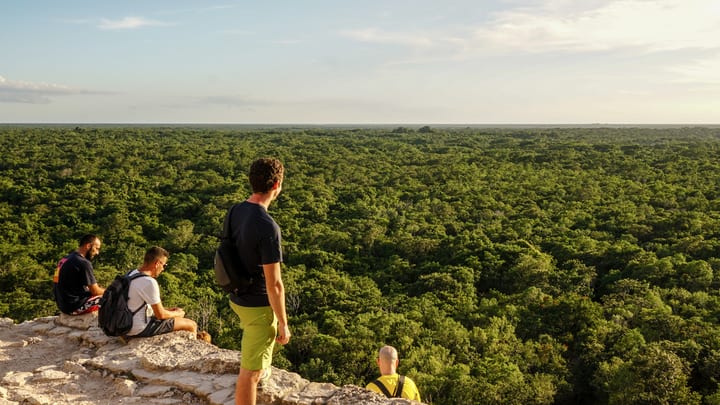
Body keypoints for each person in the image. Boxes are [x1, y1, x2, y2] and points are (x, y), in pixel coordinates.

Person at [227, 158, 291, 405]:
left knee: (256, 363)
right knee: (250, 374)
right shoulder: (268, 227)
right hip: (258, 307)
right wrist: (283, 323)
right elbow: (274, 284)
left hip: (237, 297)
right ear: (276, 184)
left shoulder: (236, 210)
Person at [124, 246, 204, 340]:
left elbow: (136, 304)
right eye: (164, 265)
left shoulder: (131, 274)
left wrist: (168, 311)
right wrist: (178, 313)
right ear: (157, 263)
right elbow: (160, 315)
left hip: (124, 323)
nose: (163, 269)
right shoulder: (149, 282)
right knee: (191, 325)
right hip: (137, 328)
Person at [53, 234, 105, 315]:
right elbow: (95, 291)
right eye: (96, 248)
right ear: (88, 246)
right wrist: (110, 290)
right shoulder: (83, 263)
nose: (97, 253)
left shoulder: (64, 259)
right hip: (74, 307)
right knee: (112, 297)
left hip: (63, 305)